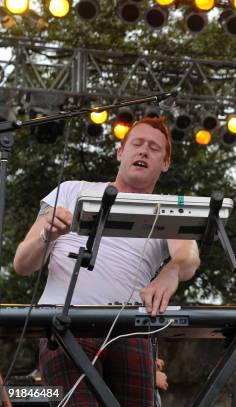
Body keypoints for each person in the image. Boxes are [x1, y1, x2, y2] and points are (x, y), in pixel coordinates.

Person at [13, 117, 201, 406]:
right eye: (136, 144)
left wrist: (171, 273)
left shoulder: (169, 207)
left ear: (165, 163)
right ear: (120, 152)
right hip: (64, 325)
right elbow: (22, 265)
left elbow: (188, 255)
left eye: (154, 148)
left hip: (130, 327)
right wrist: (46, 237)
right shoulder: (72, 189)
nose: (143, 151)